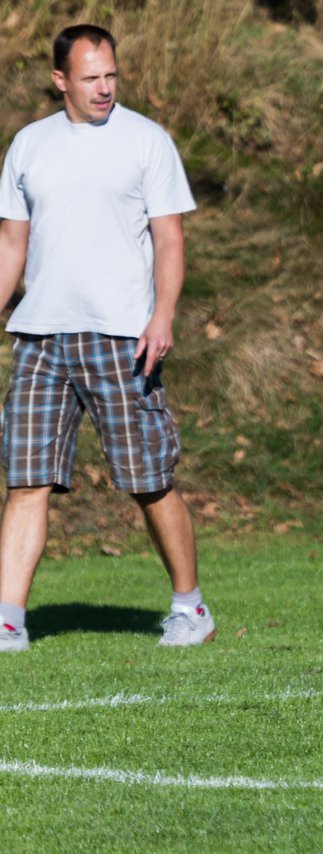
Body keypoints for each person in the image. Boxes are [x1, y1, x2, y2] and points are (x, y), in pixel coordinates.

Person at [0, 25, 212, 652]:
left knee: (149, 480)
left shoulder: (145, 140)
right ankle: (8, 616)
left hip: (123, 336)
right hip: (40, 336)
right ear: (60, 79)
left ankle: (190, 607)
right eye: (90, 77)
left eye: (111, 75)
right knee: (27, 480)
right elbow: (13, 242)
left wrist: (163, 314)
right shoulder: (29, 145)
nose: (104, 88)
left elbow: (169, 238)